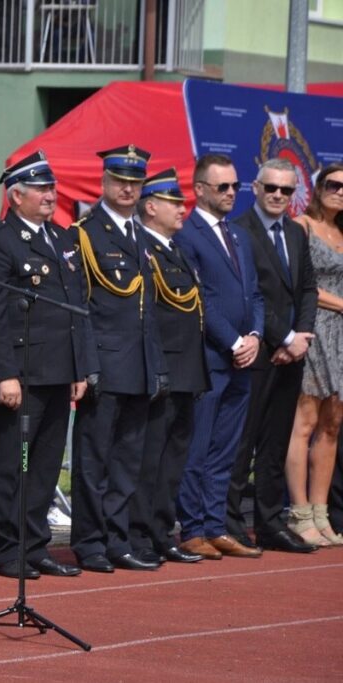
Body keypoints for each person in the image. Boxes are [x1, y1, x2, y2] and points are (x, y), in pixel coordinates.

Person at [0, 150, 96, 579]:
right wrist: (4, 374)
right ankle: (7, 551)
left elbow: (74, 307)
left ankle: (35, 545)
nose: (49, 195)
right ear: (16, 194)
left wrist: (80, 369)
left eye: (51, 188)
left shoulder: (61, 239)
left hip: (58, 372)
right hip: (19, 374)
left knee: (43, 467)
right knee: (9, 465)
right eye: (41, 189)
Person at [71, 145, 168, 573]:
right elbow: (83, 309)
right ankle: (90, 542)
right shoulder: (86, 233)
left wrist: (157, 365)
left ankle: (117, 538)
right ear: (105, 183)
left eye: (135, 182)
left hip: (140, 366)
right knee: (93, 461)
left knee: (127, 461)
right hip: (105, 366)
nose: (128, 189)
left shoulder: (142, 237)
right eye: (120, 181)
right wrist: (87, 365)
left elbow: (149, 312)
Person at [226, 159, 318, 553]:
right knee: (241, 442)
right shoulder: (240, 231)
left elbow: (309, 288)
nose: (278, 196)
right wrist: (285, 336)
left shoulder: (296, 233)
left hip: (292, 353)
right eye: (271, 189)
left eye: (286, 190)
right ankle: (228, 522)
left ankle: (268, 522)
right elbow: (251, 295)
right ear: (256, 188)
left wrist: (302, 338)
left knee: (276, 443)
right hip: (256, 352)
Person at [175, 153, 264, 560]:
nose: (231, 193)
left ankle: (216, 525)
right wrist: (233, 343)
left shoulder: (239, 235)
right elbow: (200, 300)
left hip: (243, 359)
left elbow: (254, 294)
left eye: (235, 186)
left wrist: (257, 336)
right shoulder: (187, 234)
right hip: (211, 358)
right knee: (199, 447)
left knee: (225, 450)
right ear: (200, 190)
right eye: (222, 187)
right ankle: (192, 528)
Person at [128, 168, 209, 565]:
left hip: (185, 370)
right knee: (150, 459)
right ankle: (139, 535)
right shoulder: (142, 246)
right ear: (151, 206)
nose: (183, 210)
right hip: (160, 370)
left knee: (172, 459)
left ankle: (161, 532)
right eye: (175, 203)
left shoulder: (175, 249)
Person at [284, 163, 343, 547]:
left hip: (342, 335)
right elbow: (301, 284)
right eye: (333, 184)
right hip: (315, 327)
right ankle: (299, 512)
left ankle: (322, 515)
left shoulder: (342, 231)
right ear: (319, 187)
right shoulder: (302, 227)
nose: (340, 191)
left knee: (333, 422)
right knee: (304, 422)